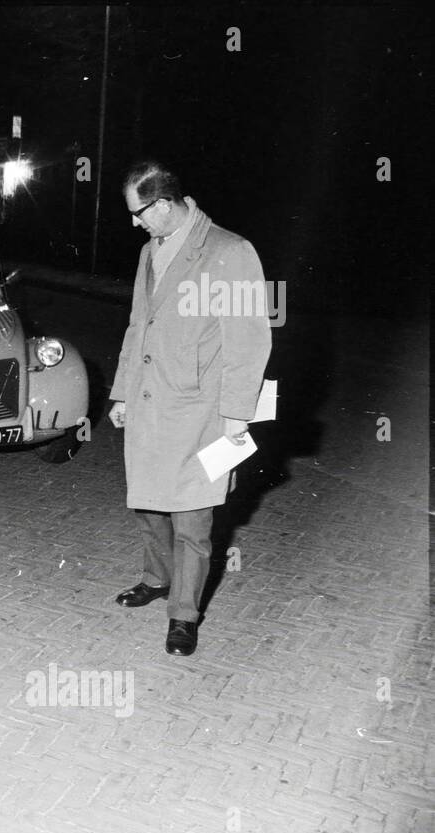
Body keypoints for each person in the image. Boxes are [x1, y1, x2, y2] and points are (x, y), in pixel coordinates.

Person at [108, 160, 272, 657]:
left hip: (201, 412)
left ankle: (184, 615)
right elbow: (139, 326)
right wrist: (121, 391)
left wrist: (238, 414)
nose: (134, 223)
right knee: (147, 504)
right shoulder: (149, 251)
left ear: (163, 204)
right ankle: (156, 578)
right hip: (150, 402)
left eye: (139, 213)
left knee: (193, 521)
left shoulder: (230, 252)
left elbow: (248, 340)